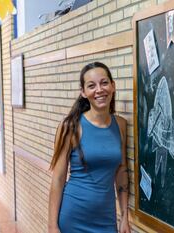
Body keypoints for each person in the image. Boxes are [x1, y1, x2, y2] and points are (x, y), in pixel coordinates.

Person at [48, 62, 130, 233]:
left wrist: (124, 217)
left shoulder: (121, 125)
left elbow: (121, 172)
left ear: (113, 86)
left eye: (104, 83)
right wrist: (52, 226)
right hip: (73, 218)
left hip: (106, 220)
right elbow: (58, 178)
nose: (99, 90)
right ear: (83, 92)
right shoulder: (70, 126)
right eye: (91, 86)